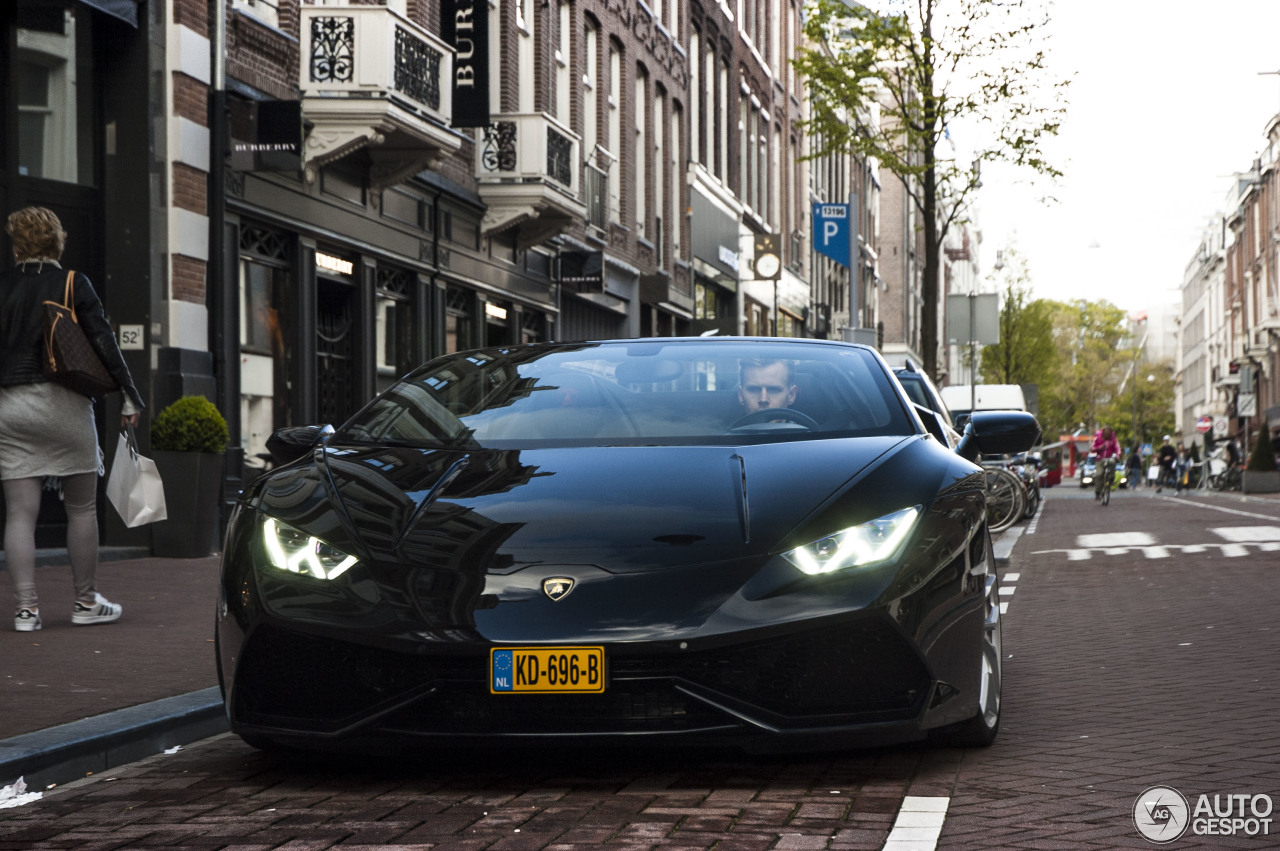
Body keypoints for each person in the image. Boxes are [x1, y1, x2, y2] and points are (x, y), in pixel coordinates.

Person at [0, 207, 145, 632]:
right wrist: (129, 395)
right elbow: (103, 340)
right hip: (62, 403)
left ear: (16, 246)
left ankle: (26, 611)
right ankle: (85, 602)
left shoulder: (3, 285)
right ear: (57, 242)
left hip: (9, 407)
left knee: (19, 515)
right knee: (81, 508)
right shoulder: (72, 282)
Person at [1090, 425, 1121, 499]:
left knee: (1113, 463)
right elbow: (1092, 448)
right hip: (1099, 458)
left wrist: (1118, 455)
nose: (1107, 434)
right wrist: (1099, 447)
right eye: (1106, 433)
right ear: (1103, 433)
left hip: (1109, 457)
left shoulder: (1113, 439)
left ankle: (1111, 478)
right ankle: (1098, 492)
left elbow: (1117, 448)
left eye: (1109, 433)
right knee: (1099, 474)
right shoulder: (1097, 438)